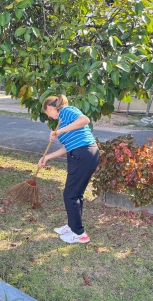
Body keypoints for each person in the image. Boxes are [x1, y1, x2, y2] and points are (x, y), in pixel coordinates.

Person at [38, 94, 99, 244]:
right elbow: (67, 146)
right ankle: (72, 226)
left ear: (51, 108)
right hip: (80, 154)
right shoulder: (61, 121)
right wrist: (48, 157)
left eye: (48, 113)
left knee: (70, 195)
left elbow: (85, 120)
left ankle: (79, 234)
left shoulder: (66, 111)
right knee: (75, 194)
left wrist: (60, 131)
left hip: (83, 154)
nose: (49, 116)